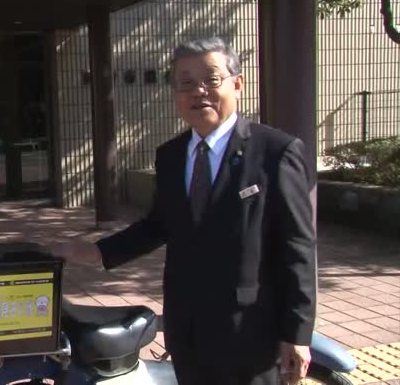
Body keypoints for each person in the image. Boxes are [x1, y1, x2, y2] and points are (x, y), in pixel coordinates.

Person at [53, 37, 316, 385]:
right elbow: (159, 225)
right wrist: (96, 252)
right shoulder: (171, 155)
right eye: (186, 83)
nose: (199, 91)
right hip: (187, 328)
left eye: (211, 79)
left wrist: (297, 334)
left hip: (252, 332)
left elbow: (297, 248)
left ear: (237, 84)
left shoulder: (275, 152)